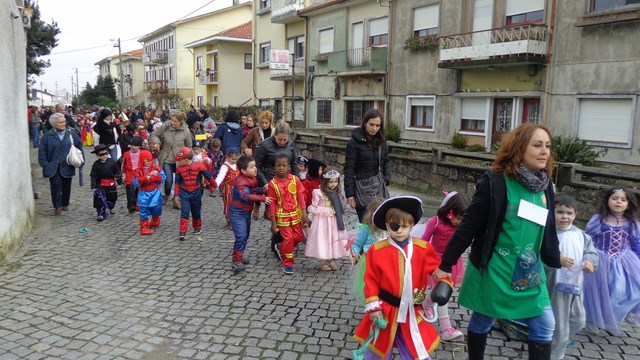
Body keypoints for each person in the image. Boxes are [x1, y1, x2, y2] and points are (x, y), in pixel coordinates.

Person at [433, 123, 561, 359]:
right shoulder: (496, 183)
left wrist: (555, 253)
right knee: (484, 318)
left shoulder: (546, 187)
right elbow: (470, 225)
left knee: (544, 324)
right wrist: (445, 264)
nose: (545, 151)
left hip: (530, 270)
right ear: (519, 148)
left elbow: (548, 226)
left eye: (547, 146)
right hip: (496, 269)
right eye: (537, 145)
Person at [352, 196, 441, 360]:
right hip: (386, 310)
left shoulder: (424, 249)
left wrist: (444, 283)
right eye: (394, 226)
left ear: (412, 225)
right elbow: (370, 279)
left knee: (414, 346)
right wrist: (373, 306)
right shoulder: (377, 250)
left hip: (411, 312)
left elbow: (438, 272)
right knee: (378, 347)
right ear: (387, 225)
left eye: (404, 226)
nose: (399, 230)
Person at [545, 194, 598, 360]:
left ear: (575, 215)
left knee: (579, 319)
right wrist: (557, 260)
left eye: (569, 213)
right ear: (552, 213)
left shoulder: (581, 235)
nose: (564, 216)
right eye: (560, 212)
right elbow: (540, 256)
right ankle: (554, 355)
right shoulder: (548, 234)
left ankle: (558, 340)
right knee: (560, 325)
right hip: (555, 285)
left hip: (575, 284)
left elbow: (590, 251)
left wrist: (590, 262)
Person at [583, 188, 640, 335]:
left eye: (623, 199)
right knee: (599, 291)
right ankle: (595, 319)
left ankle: (612, 317)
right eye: (615, 198)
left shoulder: (632, 223)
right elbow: (589, 240)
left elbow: (636, 243)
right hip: (600, 259)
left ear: (628, 204)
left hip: (622, 260)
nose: (618, 201)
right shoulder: (598, 219)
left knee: (622, 291)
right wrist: (587, 256)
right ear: (607, 201)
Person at [419, 191, 468, 341]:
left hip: (452, 263)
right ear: (449, 212)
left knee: (438, 290)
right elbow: (424, 241)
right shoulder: (436, 221)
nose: (459, 222)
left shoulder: (461, 226)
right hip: (436, 263)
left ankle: (424, 307)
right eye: (458, 218)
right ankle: (446, 328)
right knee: (442, 294)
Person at [344, 108, 391, 222]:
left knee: (381, 223)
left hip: (378, 188)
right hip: (361, 189)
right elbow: (349, 169)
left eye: (377, 125)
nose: (374, 128)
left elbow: (386, 161)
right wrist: (350, 194)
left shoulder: (381, 142)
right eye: (371, 124)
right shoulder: (353, 143)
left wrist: (386, 179)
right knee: (365, 225)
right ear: (365, 123)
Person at [228, 155, 273, 272]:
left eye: (255, 166)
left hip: (246, 213)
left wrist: (262, 190)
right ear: (243, 170)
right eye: (251, 167)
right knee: (241, 236)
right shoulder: (240, 181)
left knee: (245, 236)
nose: (255, 169)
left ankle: (240, 256)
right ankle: (236, 261)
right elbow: (245, 196)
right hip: (237, 213)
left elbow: (253, 190)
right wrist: (262, 198)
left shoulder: (251, 179)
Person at [268, 154, 309, 275]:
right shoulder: (272, 184)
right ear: (274, 167)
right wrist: (273, 222)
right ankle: (288, 263)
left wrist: (304, 213)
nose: (281, 168)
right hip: (282, 217)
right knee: (289, 238)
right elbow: (272, 203)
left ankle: (281, 247)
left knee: (299, 237)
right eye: (278, 165)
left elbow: (300, 197)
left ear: (289, 167)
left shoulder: (295, 180)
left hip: (295, 215)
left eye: (284, 165)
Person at [38, 113, 85, 215]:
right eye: (60, 122)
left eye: (64, 121)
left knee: (66, 185)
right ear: (54, 124)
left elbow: (78, 147)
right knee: (55, 185)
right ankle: (57, 206)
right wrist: (44, 164)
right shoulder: (47, 136)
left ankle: (65, 203)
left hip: (67, 164)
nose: (63, 124)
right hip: (53, 165)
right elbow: (42, 151)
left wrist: (82, 160)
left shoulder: (71, 133)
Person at [305, 168, 349, 271]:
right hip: (322, 220)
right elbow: (314, 206)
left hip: (334, 219)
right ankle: (323, 260)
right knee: (323, 238)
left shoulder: (337, 193)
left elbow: (341, 205)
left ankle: (331, 258)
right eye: (331, 182)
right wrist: (309, 220)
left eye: (335, 182)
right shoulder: (317, 192)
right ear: (325, 182)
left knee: (333, 237)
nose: (333, 184)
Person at [255, 120, 300, 219]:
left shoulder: (291, 144)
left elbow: (293, 164)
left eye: (285, 140)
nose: (282, 142)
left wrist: (298, 181)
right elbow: (257, 166)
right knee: (274, 212)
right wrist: (264, 182)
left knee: (285, 208)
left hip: (287, 179)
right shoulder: (264, 145)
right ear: (274, 135)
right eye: (279, 139)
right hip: (270, 177)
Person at [351, 197, 386, 305]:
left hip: (386, 261)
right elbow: (357, 244)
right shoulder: (367, 228)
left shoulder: (389, 228)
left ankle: (384, 302)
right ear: (371, 212)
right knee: (370, 284)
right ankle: (373, 304)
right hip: (369, 261)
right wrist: (354, 254)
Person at [174, 147, 215, 241]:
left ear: (186, 159)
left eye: (180, 160)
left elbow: (208, 175)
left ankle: (197, 226)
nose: (179, 163)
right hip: (184, 192)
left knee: (196, 211)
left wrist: (214, 185)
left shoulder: (199, 166)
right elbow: (177, 182)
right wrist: (176, 195)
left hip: (196, 192)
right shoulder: (179, 169)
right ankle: (182, 232)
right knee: (184, 211)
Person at [154, 112, 193, 208]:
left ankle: (176, 199)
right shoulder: (165, 127)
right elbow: (154, 135)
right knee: (168, 181)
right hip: (167, 158)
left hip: (180, 160)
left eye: (175, 121)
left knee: (180, 181)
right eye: (172, 120)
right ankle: (166, 195)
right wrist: (157, 143)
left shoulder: (186, 131)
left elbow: (189, 146)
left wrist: (189, 158)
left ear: (181, 121)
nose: (172, 122)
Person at [132, 150, 165, 235]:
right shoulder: (137, 170)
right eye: (147, 160)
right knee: (144, 210)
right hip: (143, 193)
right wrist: (145, 178)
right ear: (142, 159)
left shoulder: (156, 168)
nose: (149, 162)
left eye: (150, 159)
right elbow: (135, 183)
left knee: (156, 208)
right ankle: (144, 227)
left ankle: (155, 220)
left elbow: (163, 177)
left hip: (155, 192)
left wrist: (156, 178)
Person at [89, 144, 121, 221]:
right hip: (100, 184)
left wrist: (118, 177)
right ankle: (100, 213)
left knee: (112, 198)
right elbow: (93, 176)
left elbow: (118, 171)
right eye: (101, 154)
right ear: (97, 155)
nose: (104, 156)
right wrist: (93, 186)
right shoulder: (96, 165)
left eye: (106, 153)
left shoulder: (112, 162)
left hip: (111, 184)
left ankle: (110, 207)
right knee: (100, 198)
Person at [213, 147, 241, 226]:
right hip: (228, 188)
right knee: (229, 203)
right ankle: (229, 219)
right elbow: (220, 176)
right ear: (227, 157)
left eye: (236, 159)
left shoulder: (237, 165)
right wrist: (216, 184)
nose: (234, 161)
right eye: (232, 159)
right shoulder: (225, 166)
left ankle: (236, 218)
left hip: (237, 188)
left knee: (237, 203)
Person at [121, 136, 144, 214]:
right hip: (129, 174)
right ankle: (131, 206)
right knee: (130, 190)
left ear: (139, 146)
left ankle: (138, 204)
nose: (134, 147)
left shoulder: (142, 153)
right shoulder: (126, 154)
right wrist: (123, 174)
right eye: (133, 145)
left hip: (139, 174)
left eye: (136, 146)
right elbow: (123, 165)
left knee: (139, 190)